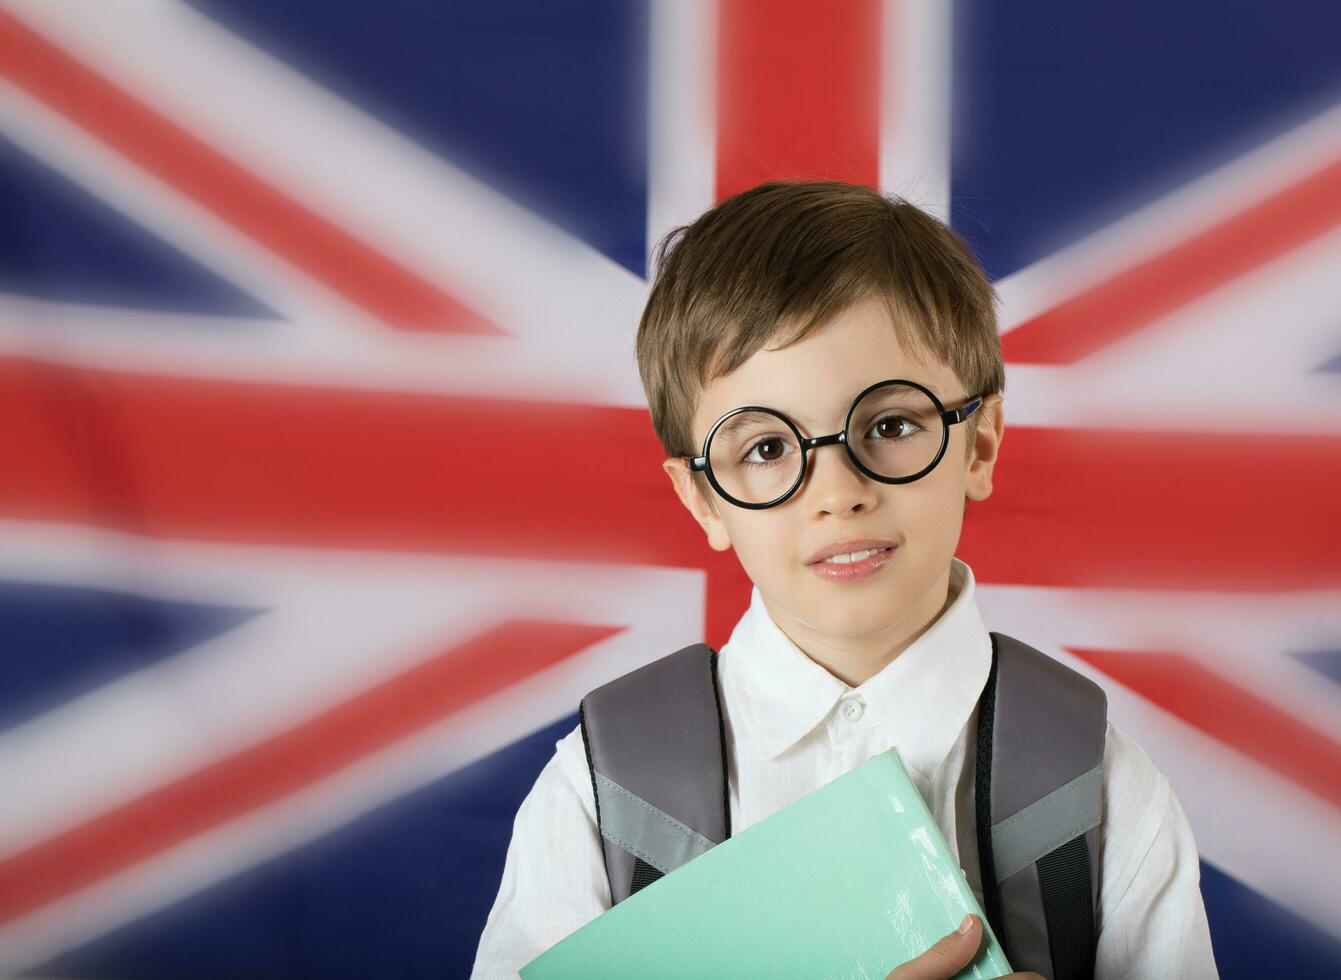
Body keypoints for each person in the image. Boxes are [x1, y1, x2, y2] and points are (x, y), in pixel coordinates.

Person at [470, 181, 1218, 979]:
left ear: (980, 445)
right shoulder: (608, 788)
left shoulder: (1096, 789)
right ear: (701, 500)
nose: (837, 493)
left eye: (890, 426)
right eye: (763, 449)